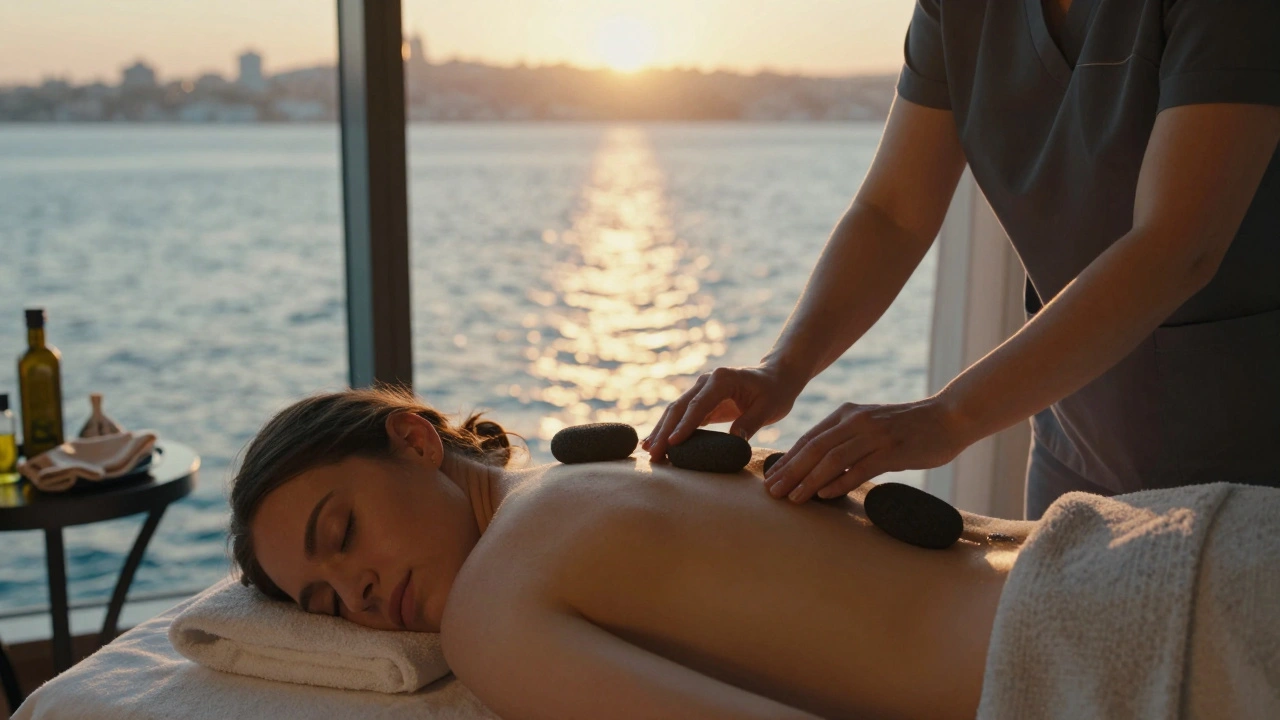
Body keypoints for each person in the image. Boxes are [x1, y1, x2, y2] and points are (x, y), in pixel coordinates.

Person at [643, 0, 1280, 519]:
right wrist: (782, 369)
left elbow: (1179, 245)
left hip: (1248, 455)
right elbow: (893, 213)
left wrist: (948, 418)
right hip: (1079, 450)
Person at [230, 387, 1032, 719]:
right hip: (1085, 548)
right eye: (327, 605)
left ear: (413, 441)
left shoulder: (490, 609)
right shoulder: (614, 466)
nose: (357, 594)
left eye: (340, 536)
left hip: (1081, 653)